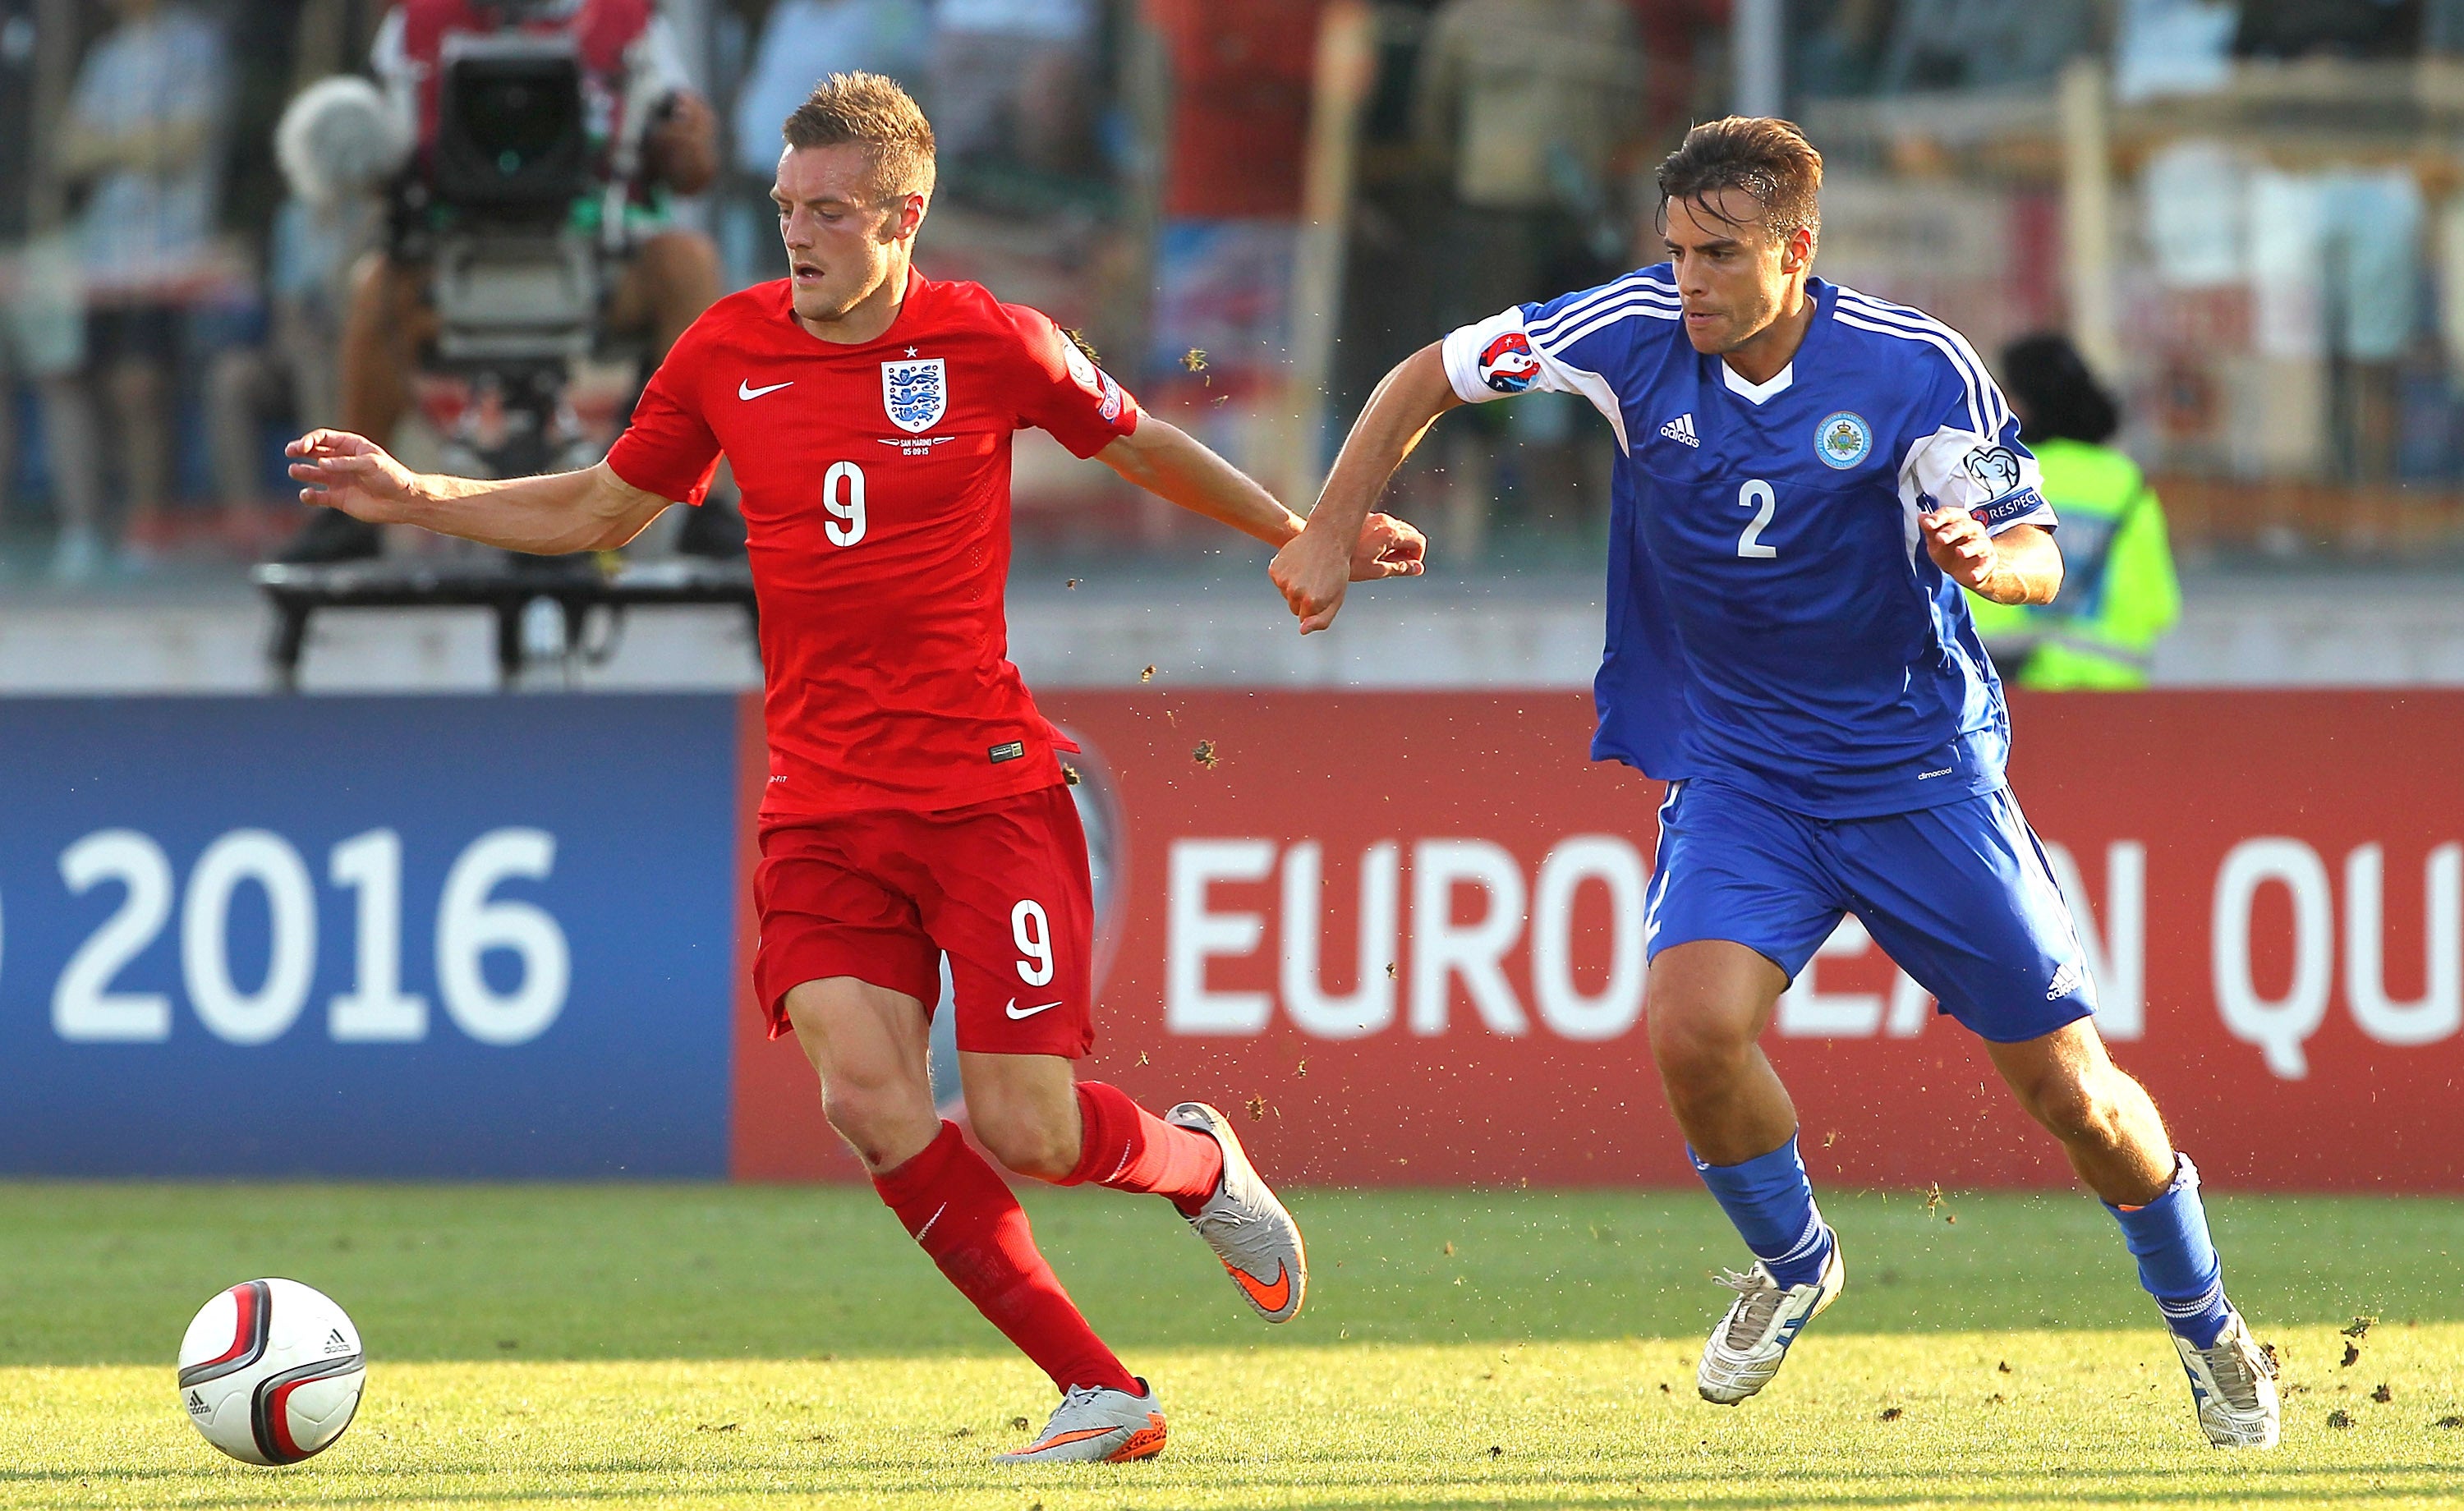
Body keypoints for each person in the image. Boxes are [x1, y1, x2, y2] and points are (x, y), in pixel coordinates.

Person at [287, 71, 1426, 1464]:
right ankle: (1103, 1392)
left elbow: (1138, 444)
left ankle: (1195, 1163)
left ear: (905, 214)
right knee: (864, 1094)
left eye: (829, 211)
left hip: (986, 789)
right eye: (784, 209)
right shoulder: (724, 349)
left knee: (1031, 1127)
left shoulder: (992, 340)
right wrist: (420, 495)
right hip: (821, 805)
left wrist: (1303, 531)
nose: (798, 236)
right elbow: (600, 505)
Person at [1274, 116, 2279, 1449]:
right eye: (1678, 248)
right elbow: (1428, 376)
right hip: (1746, 772)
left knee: (2075, 1097)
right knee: (1691, 1028)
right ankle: (1797, 1262)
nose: (1686, 278)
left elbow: (2037, 546)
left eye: (1720, 254)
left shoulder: (1916, 370)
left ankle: (2209, 1324)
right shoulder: (1626, 329)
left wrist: (1991, 565)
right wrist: (1331, 529)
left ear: (1796, 252)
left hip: (1921, 777)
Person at [282, 0, 726, 563]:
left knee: (688, 264)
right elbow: (375, 159)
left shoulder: (628, 25)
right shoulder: (417, 27)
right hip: (456, 265)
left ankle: (704, 502)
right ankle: (353, 511)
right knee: (375, 287)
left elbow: (691, 168)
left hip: (594, 265)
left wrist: (687, 145)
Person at [53, 0, 232, 572]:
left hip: (173, 252)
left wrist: (113, 145)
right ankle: (101, 525)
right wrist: (138, 145)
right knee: (96, 385)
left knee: (143, 385)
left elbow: (183, 147)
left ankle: (150, 525)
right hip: (105, 253)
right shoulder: (106, 55)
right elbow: (71, 153)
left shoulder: (197, 44)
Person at [1966, 333, 2181, 689]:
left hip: (2004, 693)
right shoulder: (2126, 483)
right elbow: (2158, 603)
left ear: (2019, 403)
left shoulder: (1996, 476)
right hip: (2109, 697)